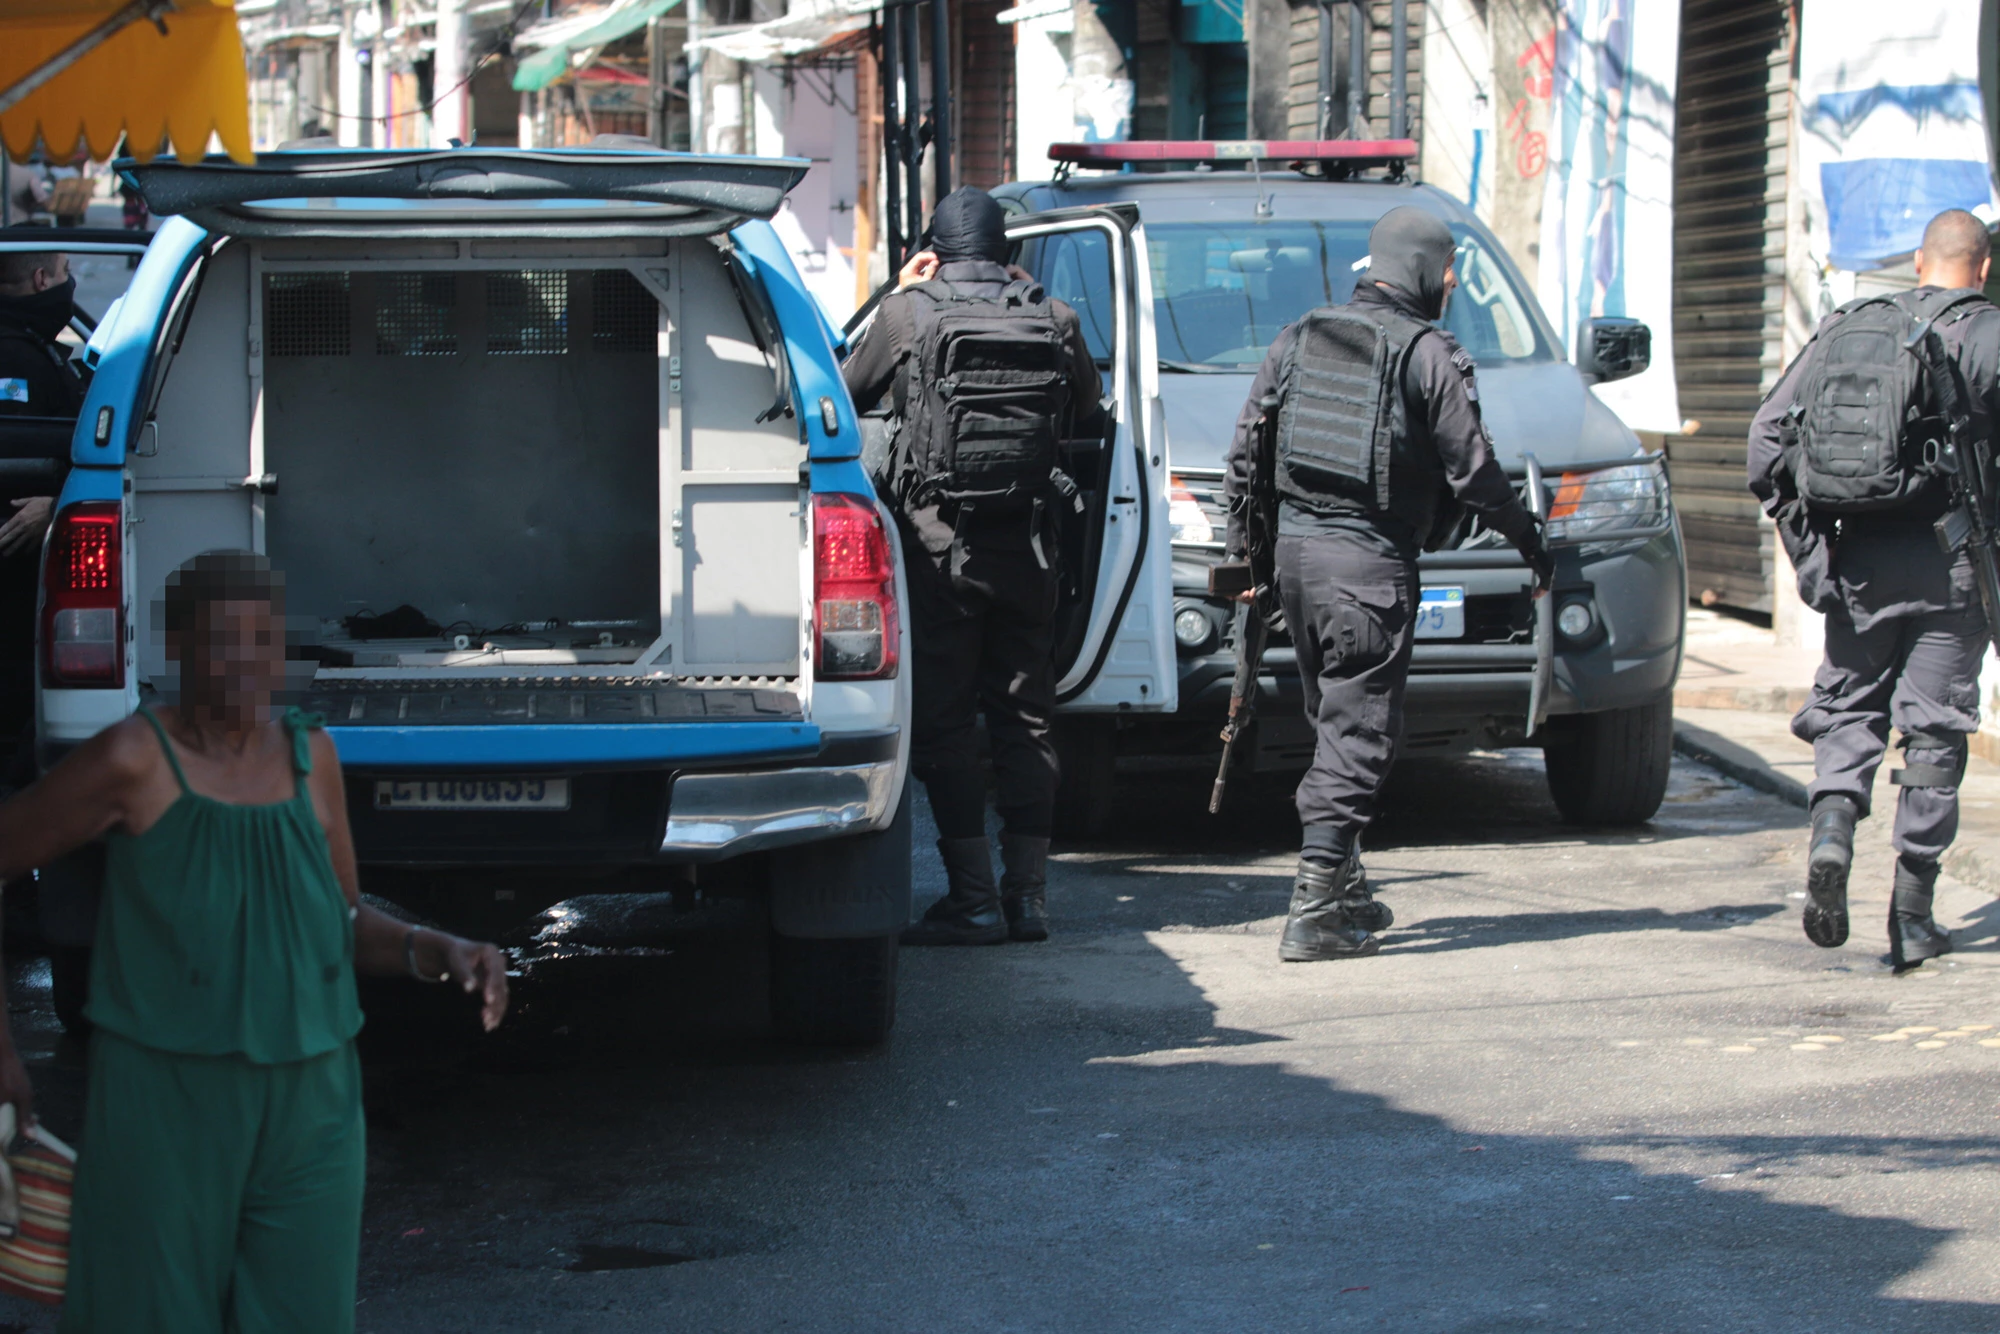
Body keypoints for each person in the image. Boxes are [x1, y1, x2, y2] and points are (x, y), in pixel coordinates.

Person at [0, 551, 511, 1331]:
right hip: (166, 1105)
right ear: (178, 647)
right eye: (220, 641)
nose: (244, 663)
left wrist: (438, 949)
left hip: (314, 1108)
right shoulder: (133, 760)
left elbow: (336, 922)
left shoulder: (314, 760)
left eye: (262, 642)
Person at [1224, 205, 1553, 963]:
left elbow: (1246, 454)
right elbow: (1474, 473)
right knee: (1360, 732)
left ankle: (1347, 889)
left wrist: (1247, 559)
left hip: (1297, 566)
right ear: (1429, 272)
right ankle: (1313, 909)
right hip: (1367, 566)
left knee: (1336, 719)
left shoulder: (1299, 336)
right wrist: (1533, 543)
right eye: (1448, 273)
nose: (1449, 285)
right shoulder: (1428, 353)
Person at [843, 186, 1103, 946]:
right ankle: (1030, 902)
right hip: (1028, 547)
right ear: (1006, 250)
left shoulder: (909, 312)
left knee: (947, 726)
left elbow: (841, 391)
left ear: (936, 248)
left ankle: (974, 902)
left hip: (937, 549)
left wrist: (900, 290)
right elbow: (1088, 409)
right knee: (1026, 720)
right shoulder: (1053, 316)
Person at [1747, 208, 2000, 971]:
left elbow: (1766, 445)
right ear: (1982, 268)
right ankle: (1912, 918)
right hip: (1953, 573)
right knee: (1933, 734)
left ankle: (1830, 838)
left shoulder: (1850, 326)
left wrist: (1813, 556)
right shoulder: (1988, 335)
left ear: (1919, 261)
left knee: (1847, 710)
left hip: (1856, 572)